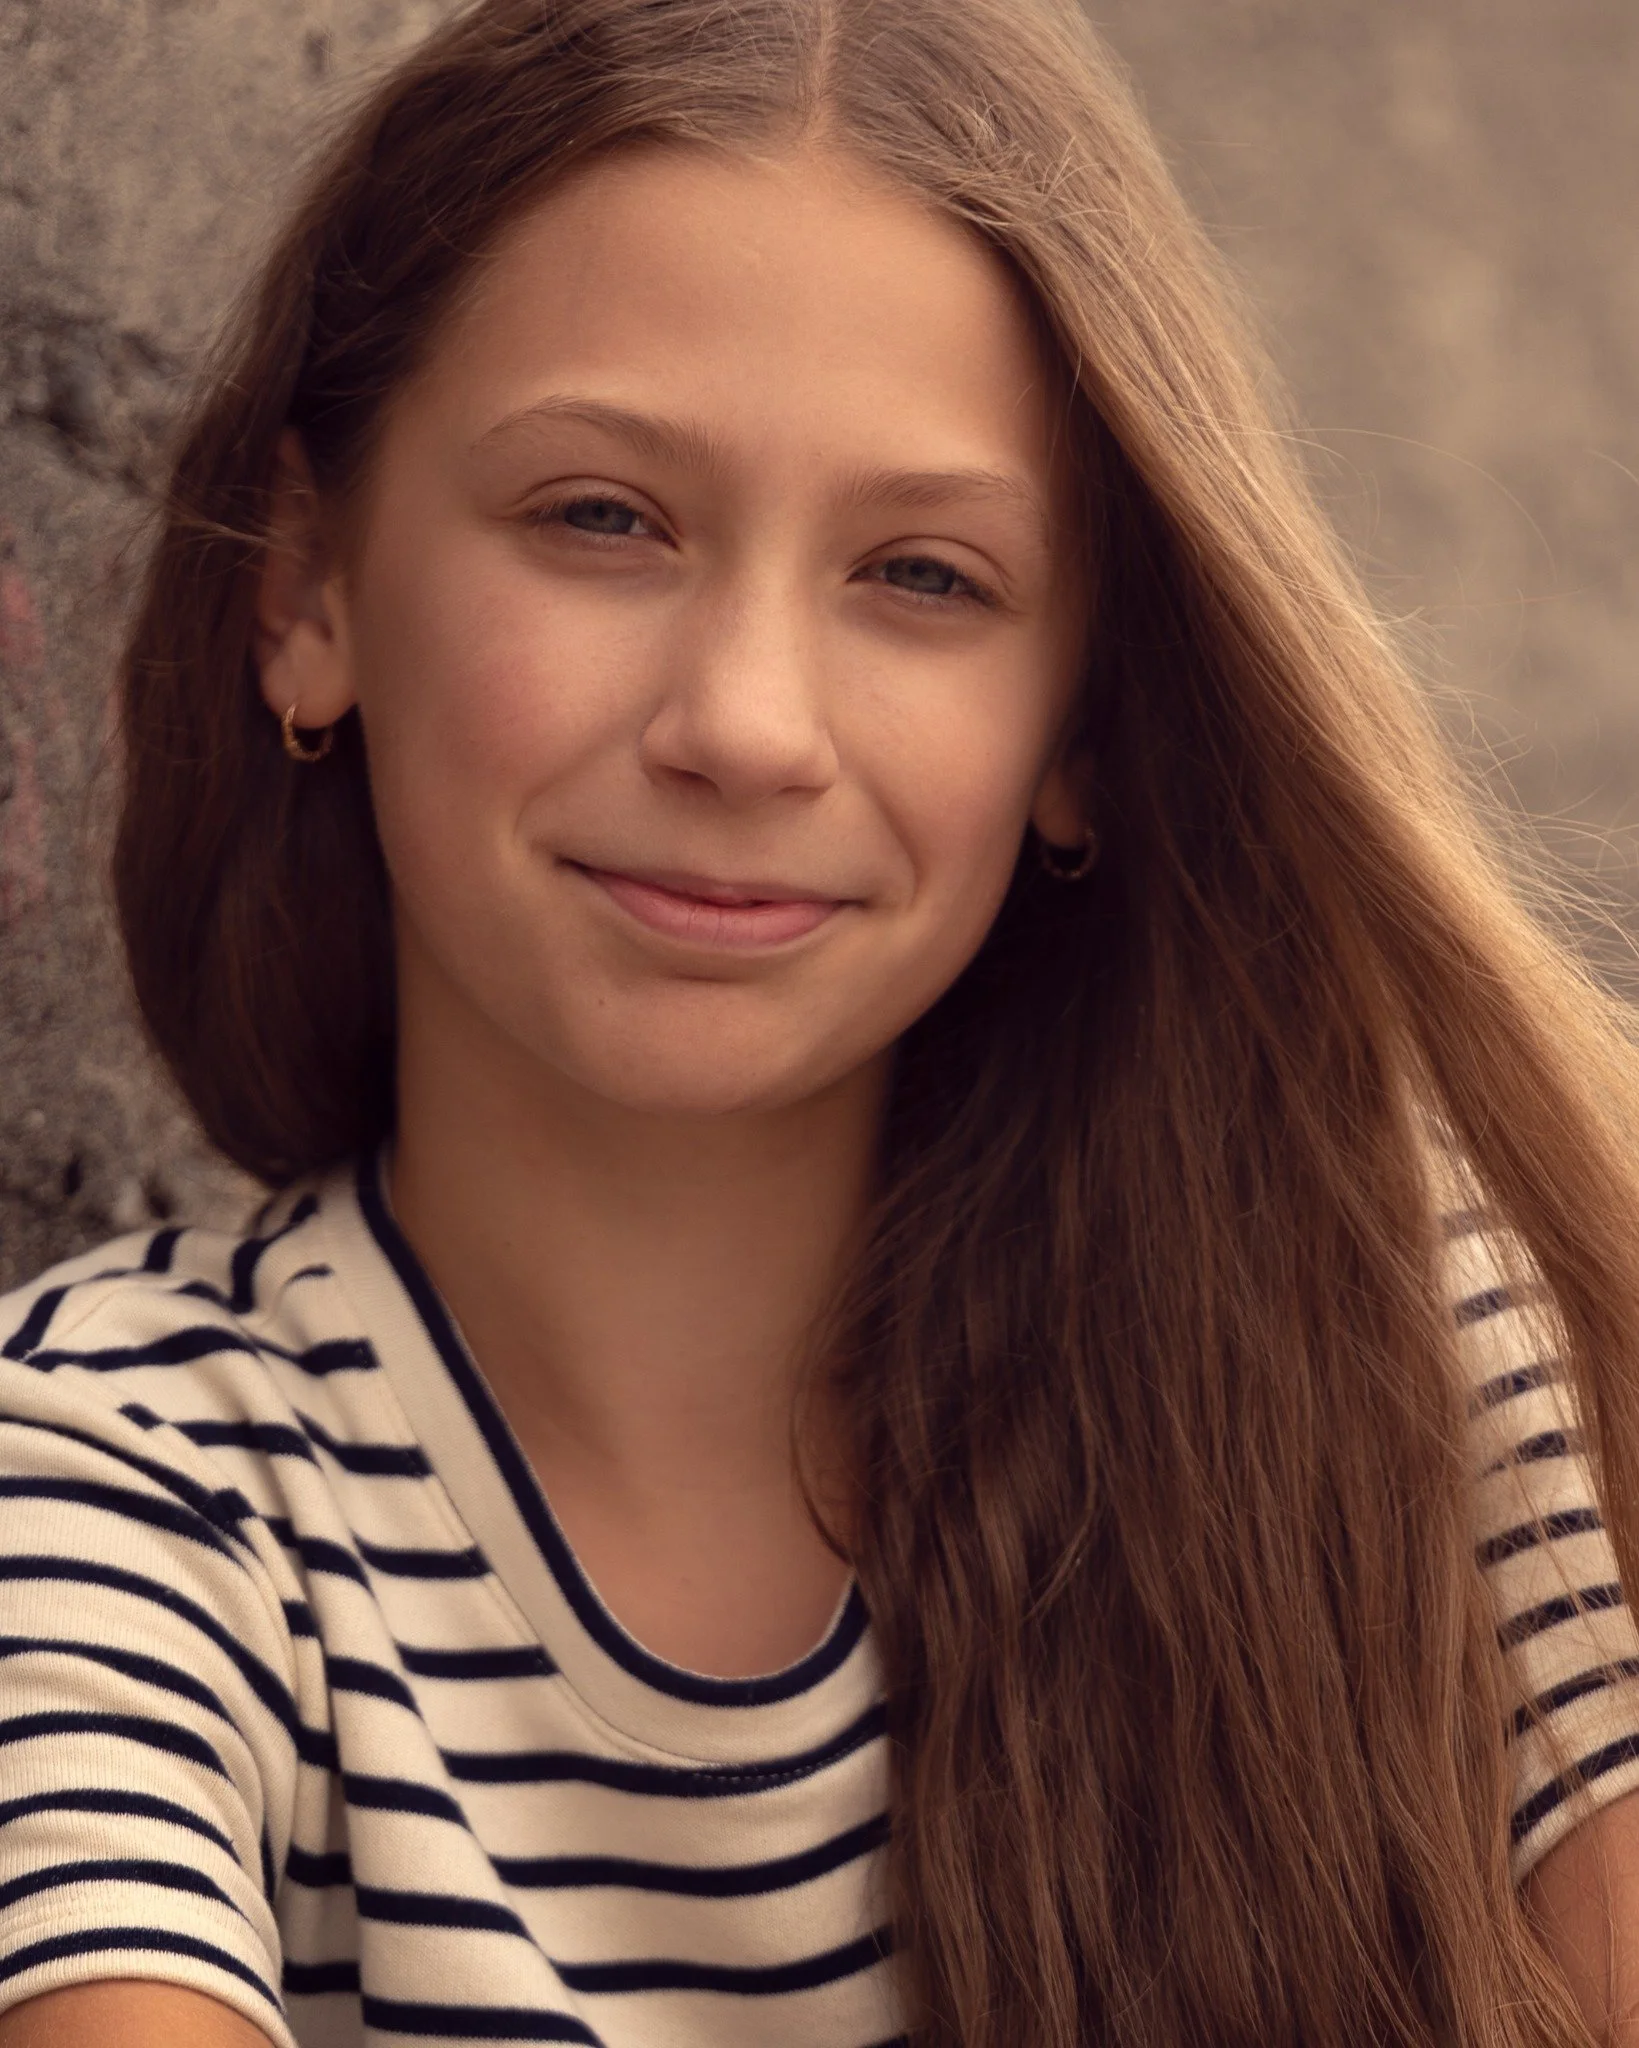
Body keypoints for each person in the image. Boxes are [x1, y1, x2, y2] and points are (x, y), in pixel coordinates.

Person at [4, 0, 1639, 2041]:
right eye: (604, 517)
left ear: (1082, 721)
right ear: (308, 590)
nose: (746, 725)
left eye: (925, 576)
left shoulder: (1418, 1360)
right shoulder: (114, 1487)